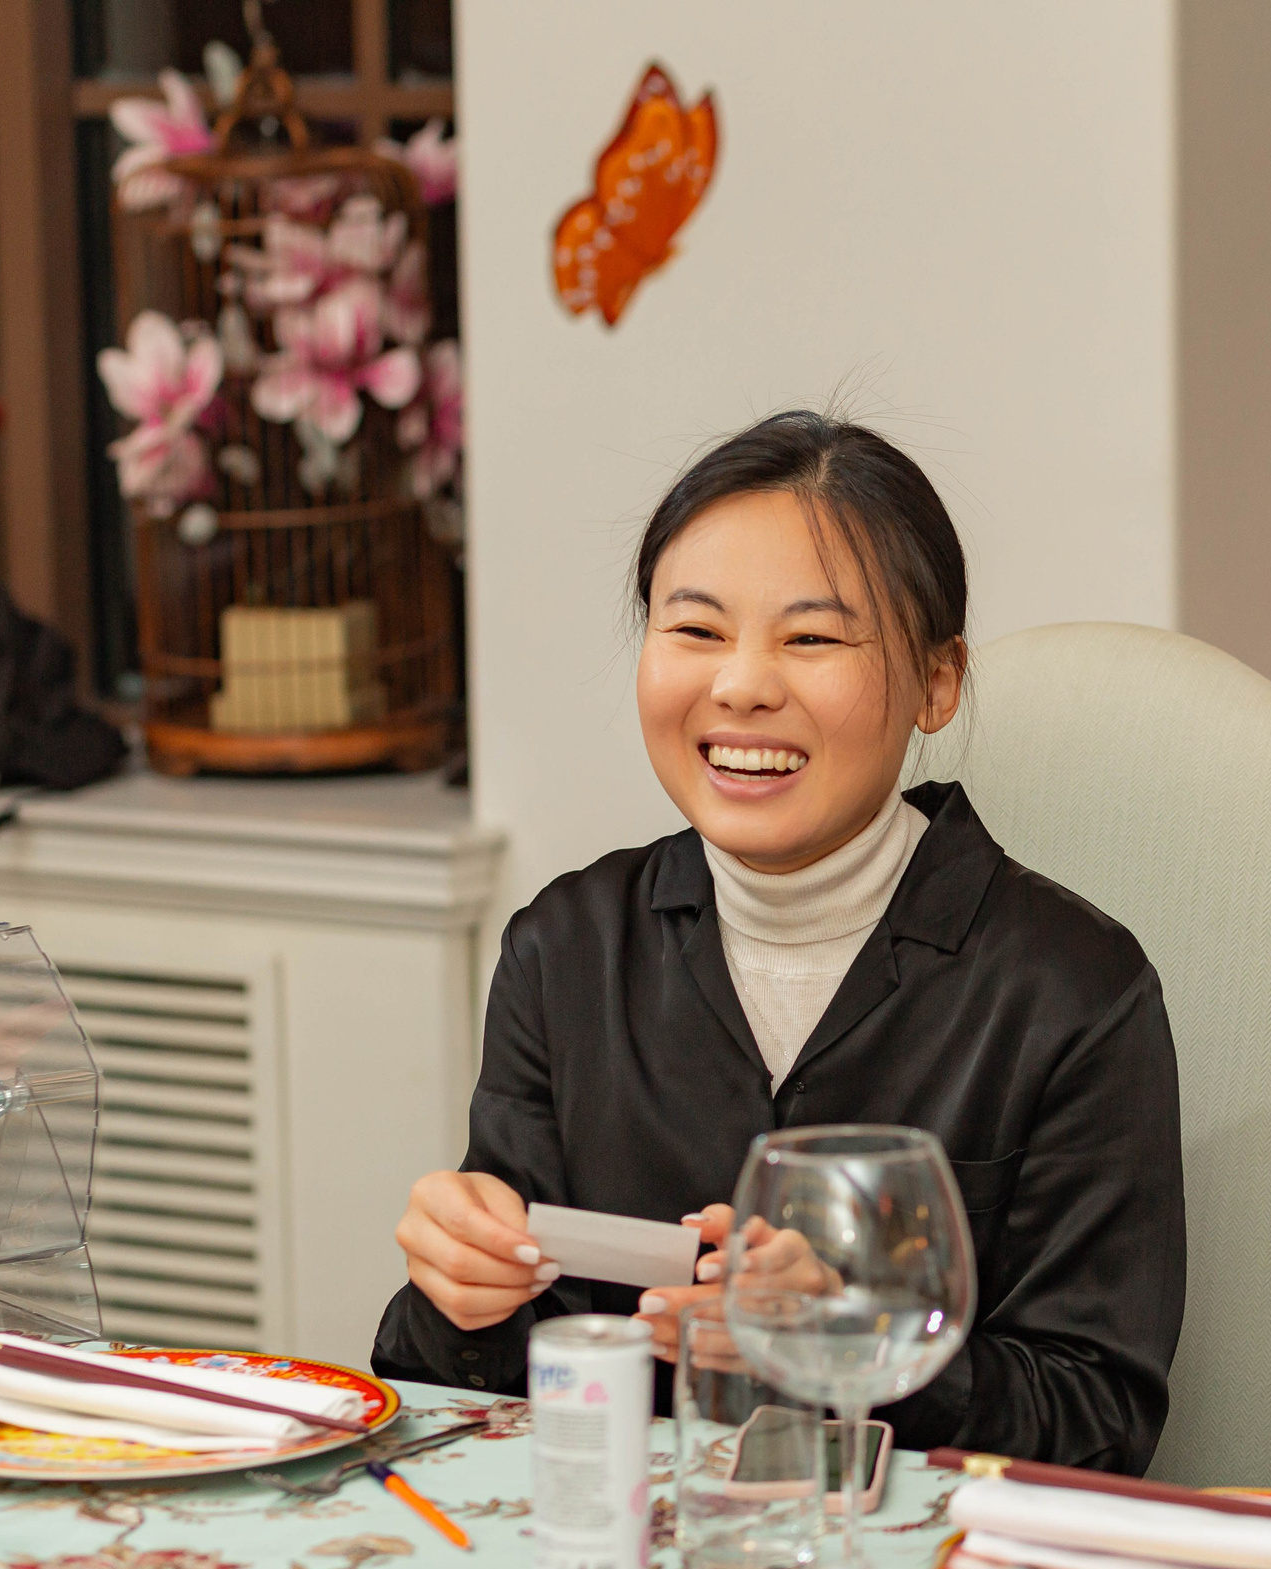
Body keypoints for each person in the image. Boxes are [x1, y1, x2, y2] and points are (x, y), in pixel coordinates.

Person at [373, 411, 1186, 1472]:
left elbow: (1100, 1421)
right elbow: (471, 1396)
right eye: (696, 630)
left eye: (811, 638)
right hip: (628, 1561)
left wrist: (859, 1350)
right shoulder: (565, 949)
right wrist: (455, 1295)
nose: (743, 683)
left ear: (937, 683)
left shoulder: (1070, 989)